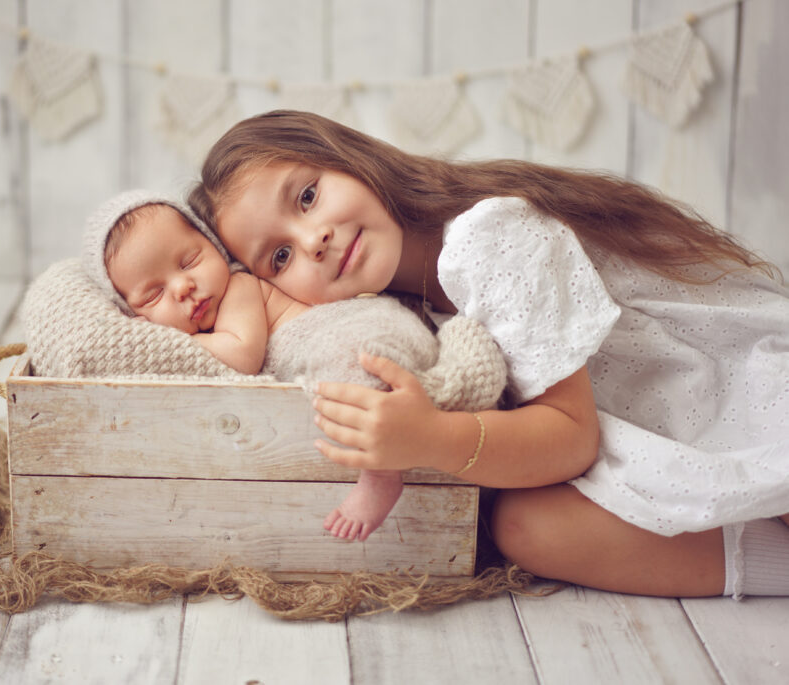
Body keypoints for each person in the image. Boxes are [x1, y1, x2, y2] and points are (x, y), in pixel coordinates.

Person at [187, 109, 789, 598]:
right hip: (645, 425)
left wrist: (427, 439)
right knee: (526, 529)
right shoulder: (395, 310)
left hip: (725, 386)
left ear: (351, 159)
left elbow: (571, 439)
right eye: (280, 258)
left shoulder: (484, 238)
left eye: (309, 196)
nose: (312, 240)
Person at [83, 190, 505, 542]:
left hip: (354, 335)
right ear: (130, 312)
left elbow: (243, 354)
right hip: (365, 335)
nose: (183, 287)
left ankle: (380, 475)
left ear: (214, 246)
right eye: (153, 295)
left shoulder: (240, 287)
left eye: (190, 261)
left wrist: (161, 340)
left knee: (346, 382)